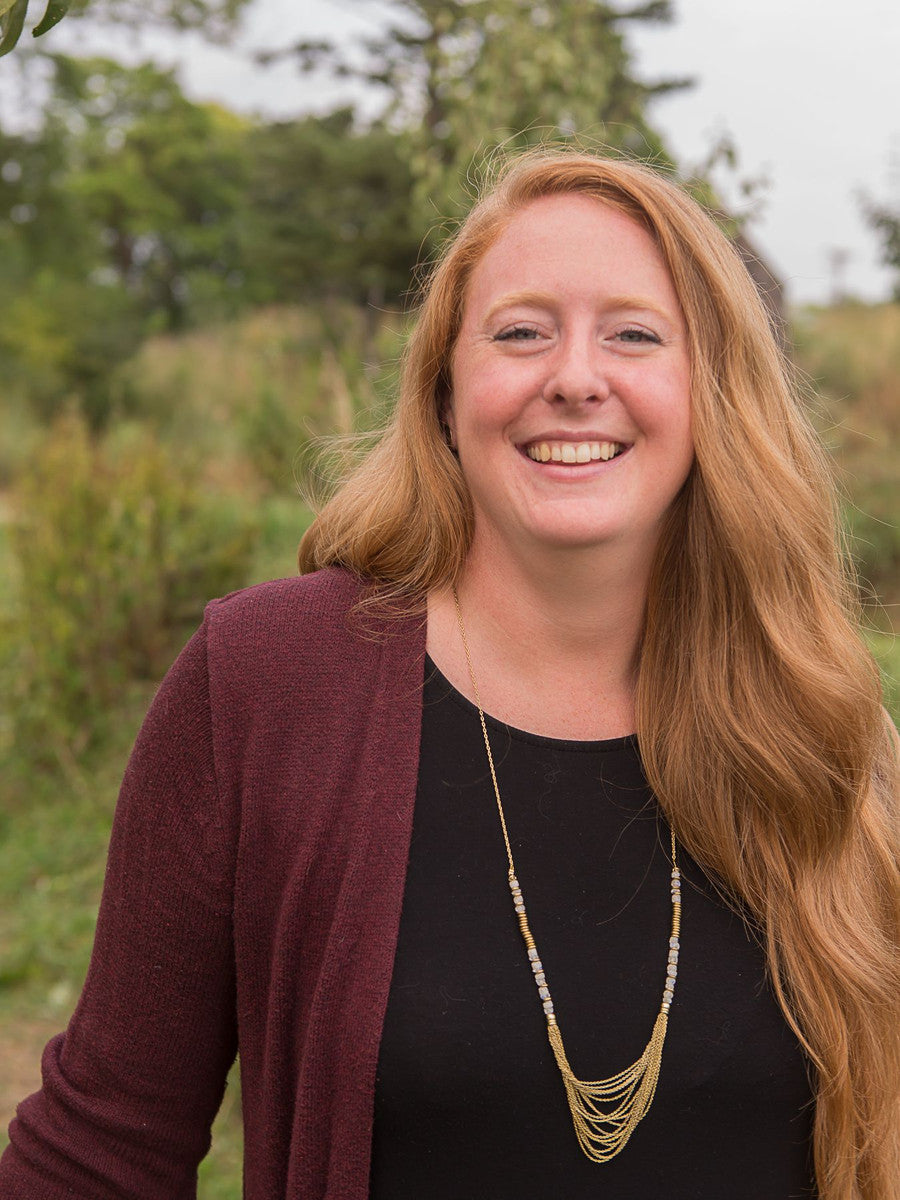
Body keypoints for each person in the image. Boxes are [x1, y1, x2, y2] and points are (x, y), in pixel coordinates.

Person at [1, 150, 897, 1200]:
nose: (573, 377)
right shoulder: (268, 684)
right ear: (443, 391)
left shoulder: (814, 712)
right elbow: (101, 1152)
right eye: (520, 331)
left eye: (635, 334)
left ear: (716, 395)